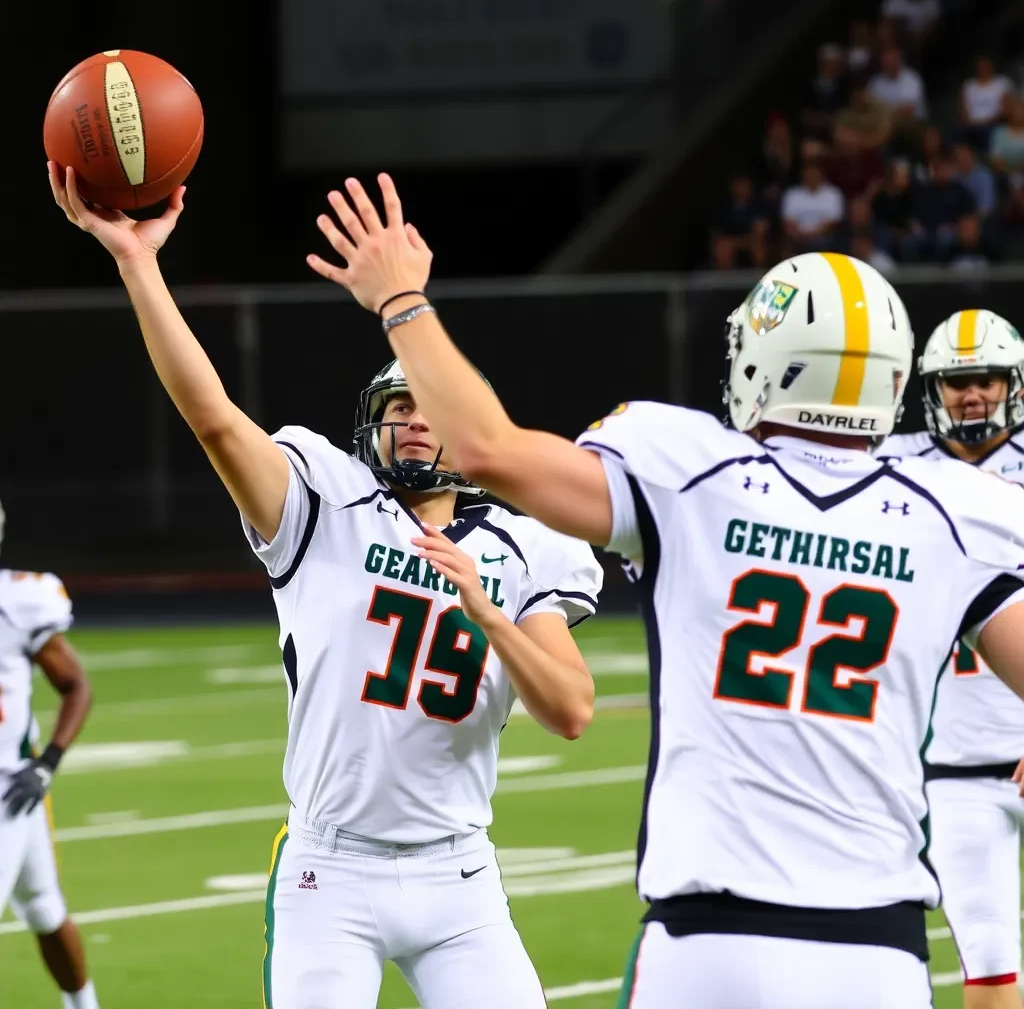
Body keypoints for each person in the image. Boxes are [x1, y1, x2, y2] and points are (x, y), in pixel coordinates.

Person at [305, 172, 1024, 1009]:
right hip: (874, 944)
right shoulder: (957, 510)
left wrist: (401, 301)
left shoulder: (690, 468)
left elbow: (485, 450)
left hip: (705, 937)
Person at [47, 163, 603, 1009]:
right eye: (398, 406)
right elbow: (213, 417)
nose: (415, 418)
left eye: (431, 406)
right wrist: (136, 262)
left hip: (459, 873)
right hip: (330, 871)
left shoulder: (525, 550)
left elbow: (570, 710)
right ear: (372, 423)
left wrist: (488, 613)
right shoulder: (326, 500)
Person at [877, 310, 1024, 1008]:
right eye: (958, 381)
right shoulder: (893, 464)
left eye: (986, 379)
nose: (973, 396)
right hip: (954, 766)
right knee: (989, 958)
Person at [0, 502, 100, 1009]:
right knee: (42, 907)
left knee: (44, 910)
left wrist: (47, 763)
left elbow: (76, 685)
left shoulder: (15, 601)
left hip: (7, 790)